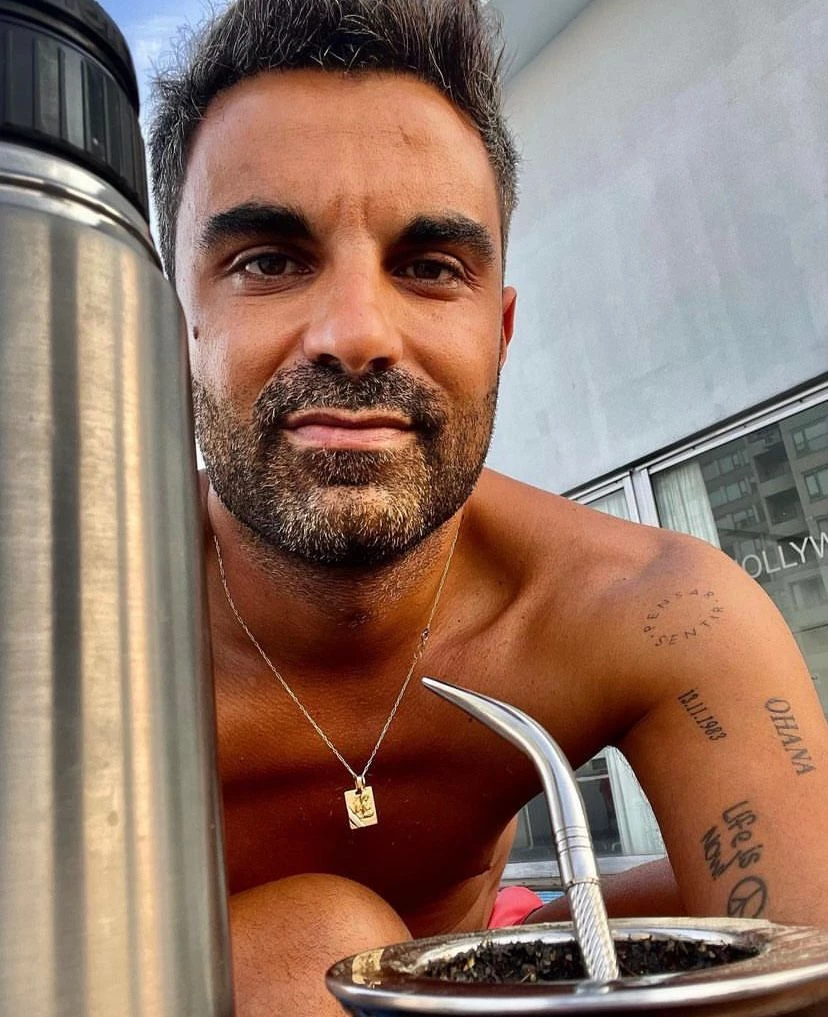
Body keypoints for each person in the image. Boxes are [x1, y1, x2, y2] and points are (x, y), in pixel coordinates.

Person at [148, 1, 828, 1013]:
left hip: (483, 953)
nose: (356, 333)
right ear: (173, 328)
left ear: (499, 332)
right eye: (269, 261)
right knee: (320, 945)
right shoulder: (70, 649)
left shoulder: (651, 609)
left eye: (429, 268)